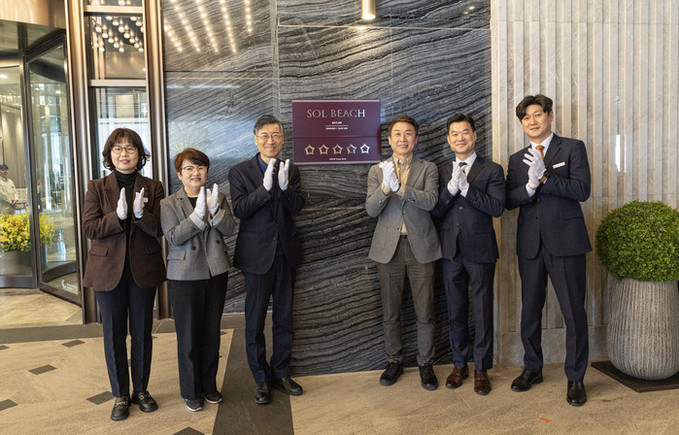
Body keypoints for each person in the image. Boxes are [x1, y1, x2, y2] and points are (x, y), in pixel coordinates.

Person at [506, 94, 591, 406]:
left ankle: (576, 377)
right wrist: (529, 187)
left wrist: (545, 177)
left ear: (549, 116)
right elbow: (509, 200)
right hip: (530, 244)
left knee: (573, 311)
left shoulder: (572, 148)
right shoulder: (517, 159)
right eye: (526, 117)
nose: (532, 121)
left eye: (537, 114)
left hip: (566, 242)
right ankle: (532, 367)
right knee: (530, 310)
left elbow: (582, 190)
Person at [82, 128, 166, 421]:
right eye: (118, 149)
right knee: (114, 334)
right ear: (109, 155)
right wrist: (116, 217)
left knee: (142, 332)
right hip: (107, 271)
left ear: (139, 154)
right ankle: (120, 394)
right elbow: (89, 228)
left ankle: (141, 390)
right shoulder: (96, 187)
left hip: (143, 268)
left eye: (130, 148)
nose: (124, 154)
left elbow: (160, 229)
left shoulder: (153, 187)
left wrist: (141, 216)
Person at [228, 115, 305, 405]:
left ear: (282, 140)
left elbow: (297, 207)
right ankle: (260, 378)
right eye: (264, 136)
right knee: (255, 320)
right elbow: (240, 210)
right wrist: (264, 189)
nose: (270, 141)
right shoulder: (240, 172)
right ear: (255, 139)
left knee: (284, 318)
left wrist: (285, 188)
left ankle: (281, 372)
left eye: (275, 135)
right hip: (256, 256)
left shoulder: (291, 169)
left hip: (286, 254)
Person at [366, 114, 442, 391]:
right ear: (389, 140)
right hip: (389, 249)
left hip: (421, 245)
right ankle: (394, 361)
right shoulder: (377, 170)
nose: (402, 138)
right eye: (397, 134)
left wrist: (402, 188)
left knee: (425, 312)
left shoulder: (428, 168)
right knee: (391, 311)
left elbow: (431, 201)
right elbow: (371, 209)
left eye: (408, 133)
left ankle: (426, 363)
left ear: (416, 139)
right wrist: (386, 187)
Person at [431, 113, 505, 395]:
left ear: (475, 136)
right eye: (454, 133)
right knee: (455, 310)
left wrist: (468, 190)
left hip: (481, 249)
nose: (460, 137)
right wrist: (451, 191)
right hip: (451, 251)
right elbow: (436, 211)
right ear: (448, 140)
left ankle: (481, 368)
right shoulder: (441, 171)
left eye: (465, 132)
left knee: (483, 310)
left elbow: (497, 208)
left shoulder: (492, 169)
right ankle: (459, 364)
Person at [161, 148, 237, 412]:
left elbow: (231, 229)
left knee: (211, 332)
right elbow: (173, 237)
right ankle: (191, 391)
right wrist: (197, 217)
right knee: (188, 335)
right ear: (180, 174)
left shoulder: (218, 196)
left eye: (200, 168)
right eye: (189, 169)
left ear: (206, 171)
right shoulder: (169, 203)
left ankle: (209, 386)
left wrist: (215, 212)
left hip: (215, 271)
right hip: (184, 274)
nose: (195, 173)